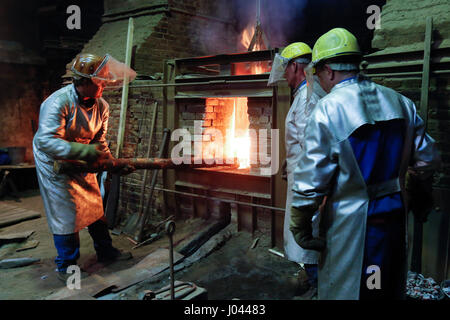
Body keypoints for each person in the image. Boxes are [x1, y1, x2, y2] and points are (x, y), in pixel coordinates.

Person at [289, 28, 440, 300]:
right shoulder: (402, 103)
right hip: (394, 215)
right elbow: (428, 158)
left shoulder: (328, 109)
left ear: (329, 71)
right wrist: (419, 191)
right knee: (384, 286)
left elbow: (311, 181)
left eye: (318, 74)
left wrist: (300, 224)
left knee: (350, 289)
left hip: (351, 223)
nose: (320, 81)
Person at [33, 53, 137, 282]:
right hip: (54, 162)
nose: (103, 87)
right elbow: (45, 141)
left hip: (81, 158)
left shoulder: (102, 106)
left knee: (94, 205)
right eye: (99, 83)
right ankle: (66, 265)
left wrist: (111, 164)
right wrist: (85, 151)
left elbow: (100, 141)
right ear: (82, 82)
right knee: (67, 213)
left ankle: (106, 252)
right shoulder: (58, 102)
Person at [268, 42, 326, 297]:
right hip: (301, 175)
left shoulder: (308, 97)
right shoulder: (306, 92)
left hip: (307, 182)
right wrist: (287, 162)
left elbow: (312, 147)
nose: (284, 75)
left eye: (286, 68)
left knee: (307, 230)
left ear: (295, 66)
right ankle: (313, 277)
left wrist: (309, 188)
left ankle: (317, 284)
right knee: (304, 232)